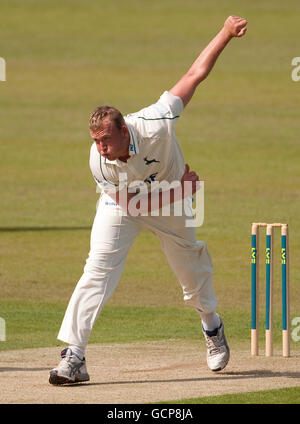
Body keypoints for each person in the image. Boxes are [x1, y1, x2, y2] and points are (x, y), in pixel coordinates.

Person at [49, 15, 247, 385]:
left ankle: (211, 326)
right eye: (95, 141)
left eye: (106, 139)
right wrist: (183, 190)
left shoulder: (157, 121)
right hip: (128, 203)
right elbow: (131, 208)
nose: (101, 149)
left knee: (191, 270)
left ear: (125, 129)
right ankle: (74, 356)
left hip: (171, 205)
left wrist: (224, 33)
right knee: (98, 270)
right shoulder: (99, 163)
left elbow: (193, 75)